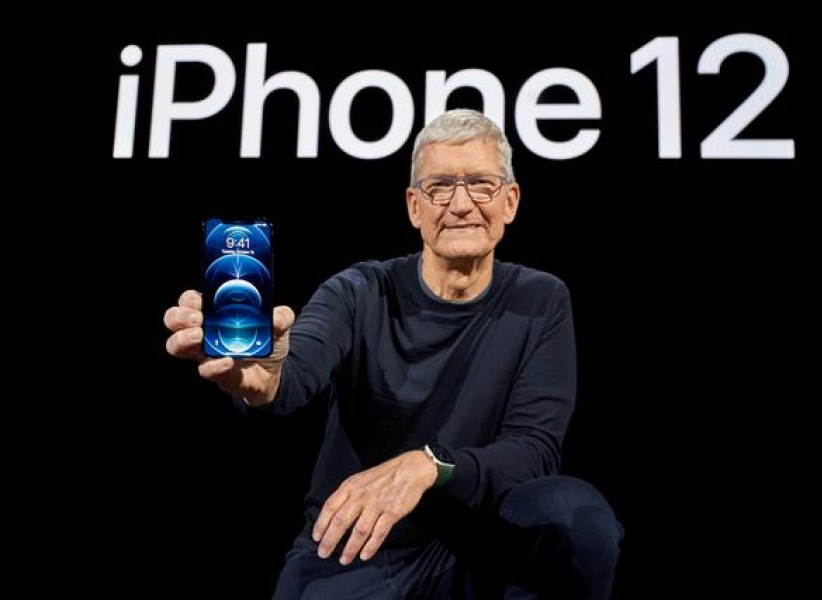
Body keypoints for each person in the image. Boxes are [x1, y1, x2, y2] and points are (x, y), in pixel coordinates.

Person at [164, 108, 623, 599]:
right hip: (359, 546)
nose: (462, 204)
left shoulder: (541, 299)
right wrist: (262, 377)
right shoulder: (360, 290)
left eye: (482, 185)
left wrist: (427, 466)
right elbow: (294, 373)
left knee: (574, 513)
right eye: (440, 187)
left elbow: (534, 450)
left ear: (510, 201)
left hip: (479, 549)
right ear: (414, 207)